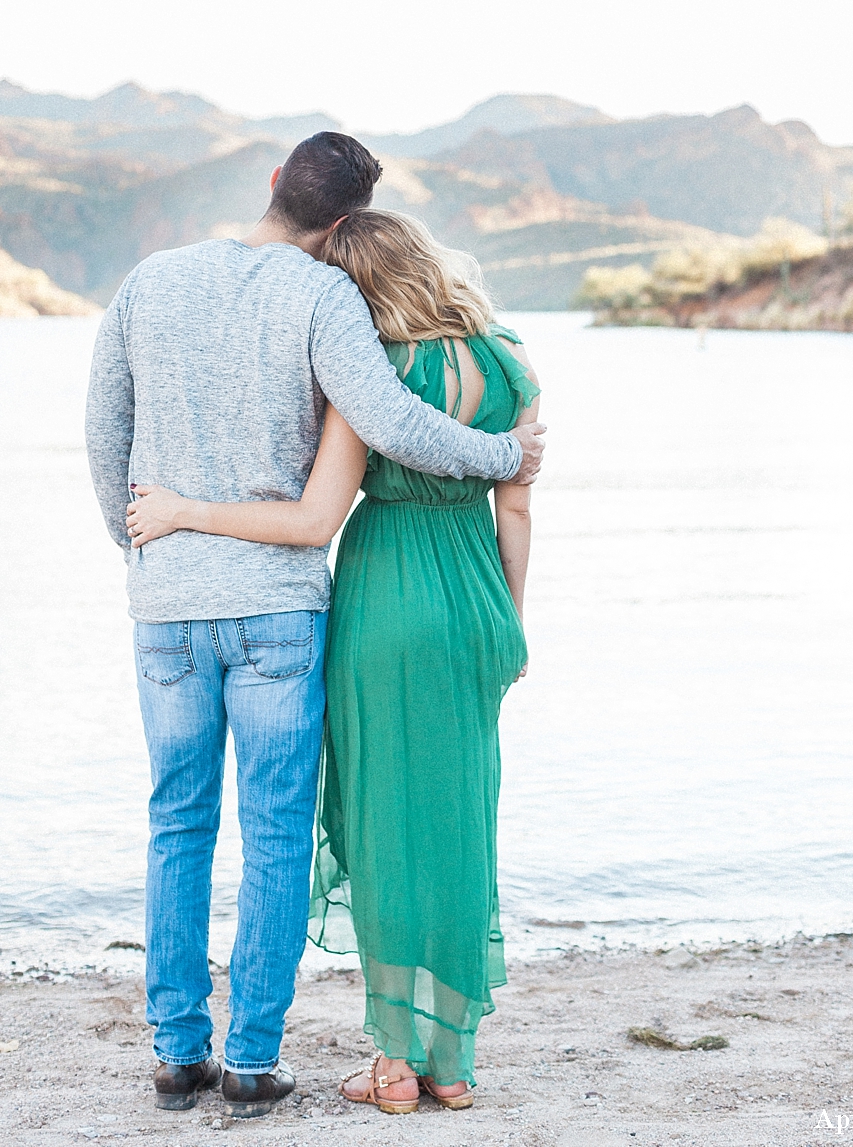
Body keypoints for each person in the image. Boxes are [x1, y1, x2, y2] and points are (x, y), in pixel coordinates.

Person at [85, 135, 545, 1120]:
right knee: (278, 828)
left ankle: (177, 1056)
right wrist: (504, 452)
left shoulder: (147, 281)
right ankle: (251, 1060)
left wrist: (143, 554)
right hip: (282, 601)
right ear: (341, 223)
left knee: (176, 821)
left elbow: (103, 433)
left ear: (270, 187)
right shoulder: (321, 295)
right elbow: (391, 419)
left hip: (167, 598)